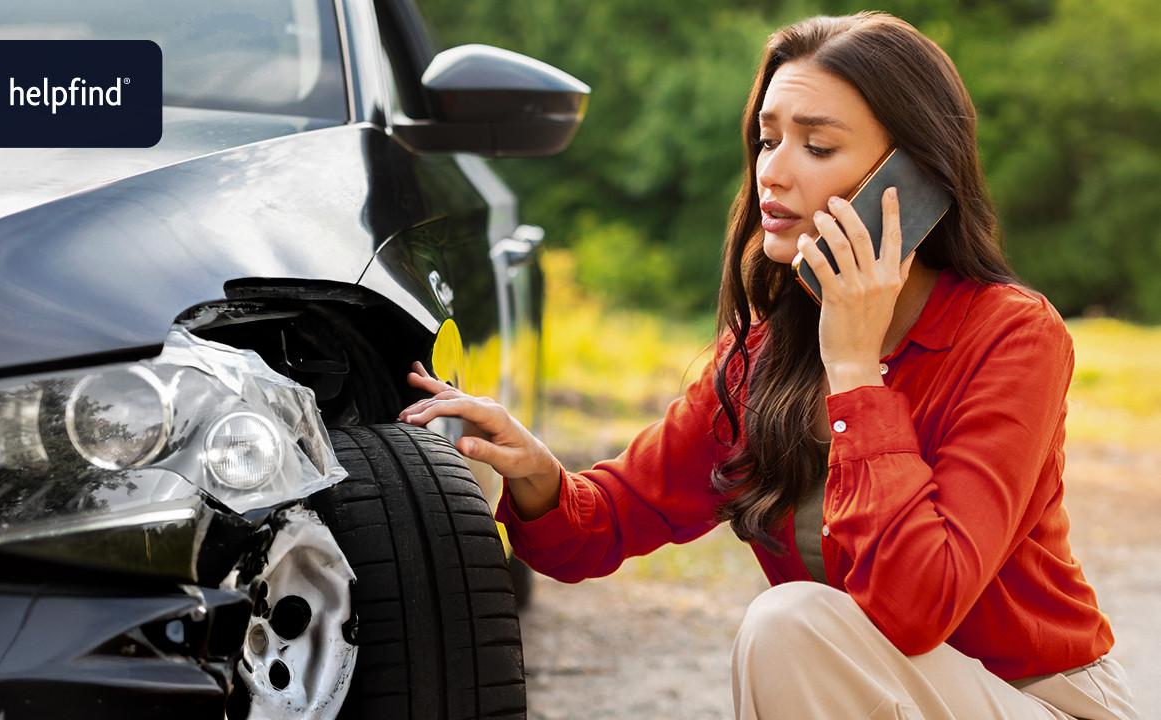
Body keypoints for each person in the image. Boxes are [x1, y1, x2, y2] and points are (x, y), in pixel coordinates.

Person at [396, 10, 1138, 720]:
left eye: (816, 147)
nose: (772, 175)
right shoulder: (765, 356)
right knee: (799, 627)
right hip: (884, 692)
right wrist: (531, 472)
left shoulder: (1012, 338)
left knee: (793, 623)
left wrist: (854, 372)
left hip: (1038, 700)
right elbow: (601, 526)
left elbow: (918, 606)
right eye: (766, 140)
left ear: (911, 180)